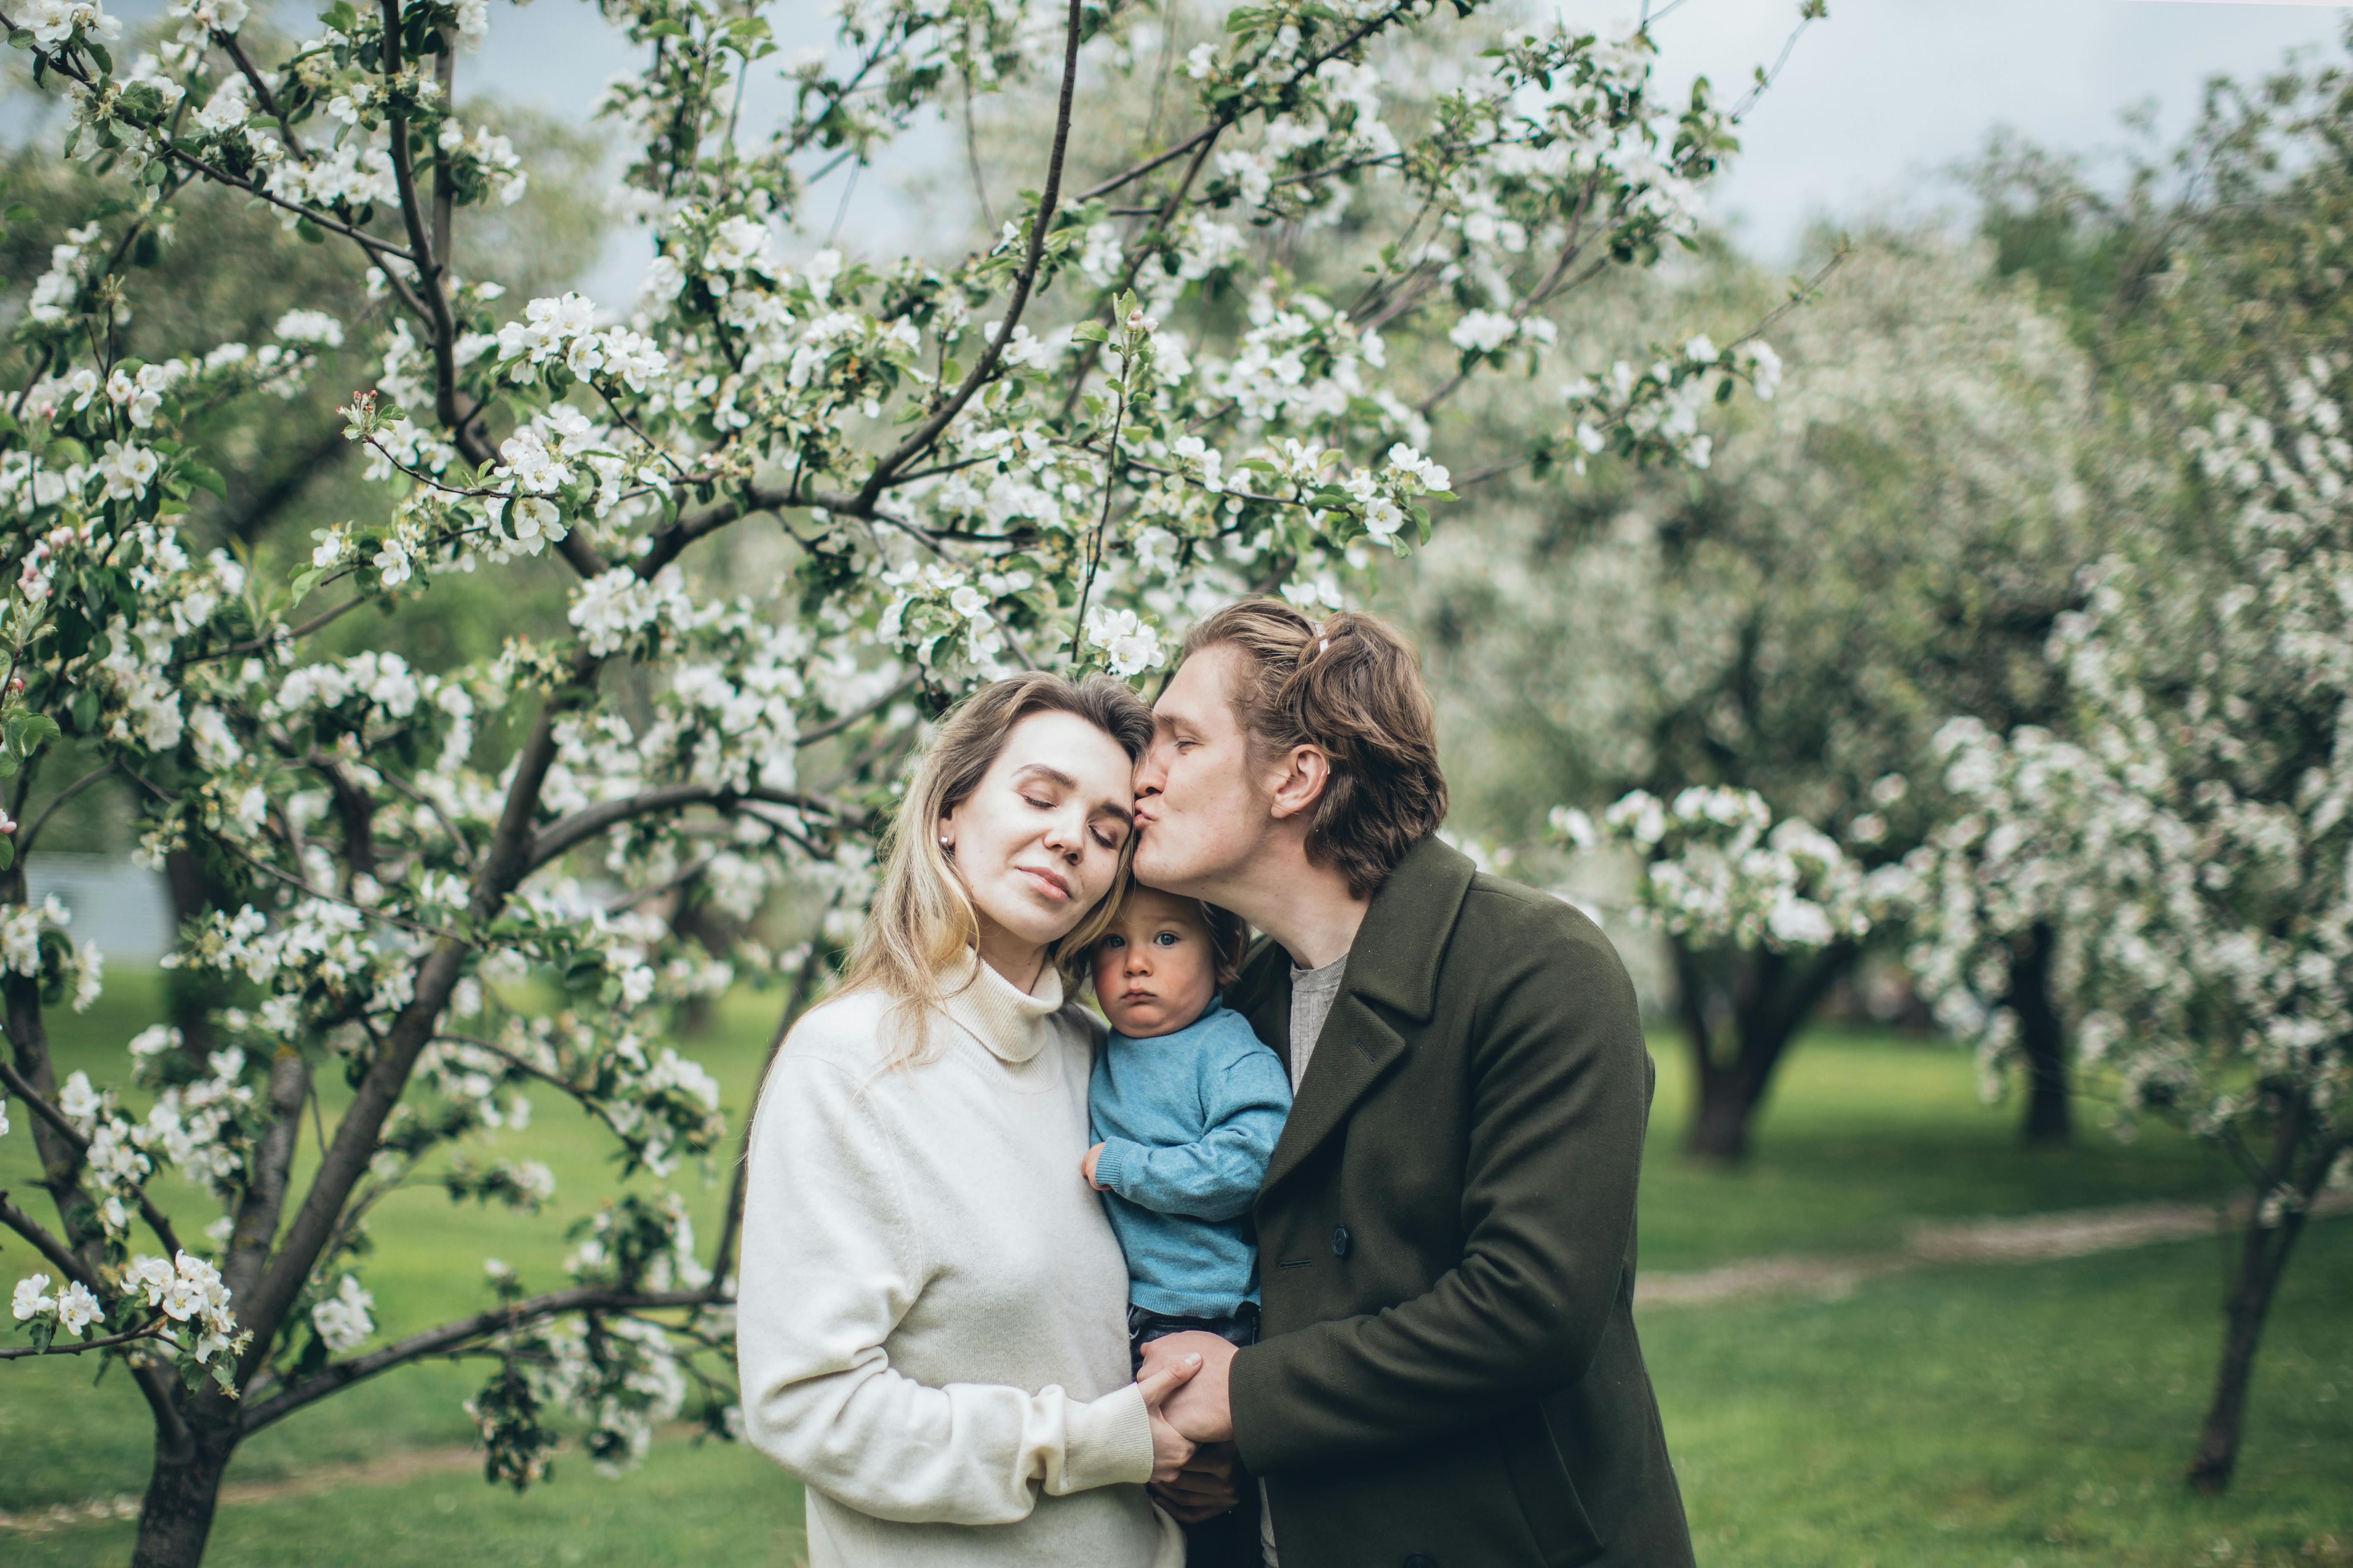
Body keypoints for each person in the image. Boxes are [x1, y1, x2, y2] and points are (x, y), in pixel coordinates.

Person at [1132, 600, 1697, 1568]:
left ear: (1296, 777)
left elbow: (1531, 1309)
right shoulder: (1241, 1004)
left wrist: (1248, 1396)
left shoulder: (1537, 966)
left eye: (1180, 740)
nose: (1142, 775)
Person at [736, 673, 1201, 1568]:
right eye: (1039, 797)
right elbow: (808, 1406)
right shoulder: (849, 1064)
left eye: (1108, 832)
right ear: (949, 810)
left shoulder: (1095, 1061)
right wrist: (1084, 1445)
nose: (1070, 839)